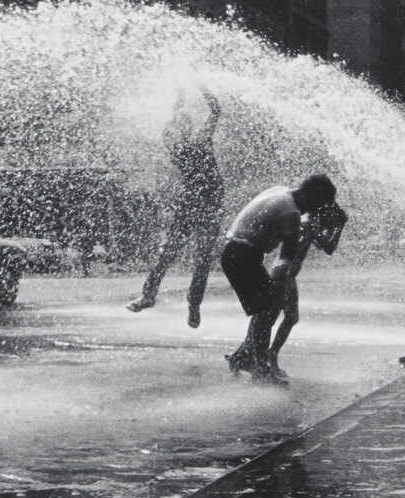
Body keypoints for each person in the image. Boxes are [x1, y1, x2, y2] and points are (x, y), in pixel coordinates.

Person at [220, 173, 340, 382]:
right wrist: (280, 285)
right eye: (318, 204)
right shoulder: (291, 213)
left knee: (263, 311)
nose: (315, 210)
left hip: (236, 252)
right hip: (242, 255)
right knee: (266, 312)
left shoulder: (280, 191)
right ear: (311, 196)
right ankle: (260, 368)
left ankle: (247, 359)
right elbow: (287, 257)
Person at [128, 86, 225, 327]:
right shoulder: (175, 146)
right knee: (167, 254)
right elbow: (182, 115)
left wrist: (199, 85)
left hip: (209, 207)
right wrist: (180, 95)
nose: (174, 128)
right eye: (174, 126)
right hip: (189, 206)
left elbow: (215, 109)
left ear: (186, 127)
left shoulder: (200, 138)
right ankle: (149, 296)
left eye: (178, 125)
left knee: (202, 260)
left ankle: (193, 305)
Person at [263, 201, 347, 378]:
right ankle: (265, 356)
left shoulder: (309, 223)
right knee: (276, 319)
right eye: (331, 222)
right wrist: (339, 228)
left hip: (284, 275)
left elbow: (323, 244)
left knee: (276, 319)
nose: (329, 227)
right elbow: (329, 247)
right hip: (282, 276)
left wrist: (333, 229)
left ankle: (252, 356)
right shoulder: (309, 225)